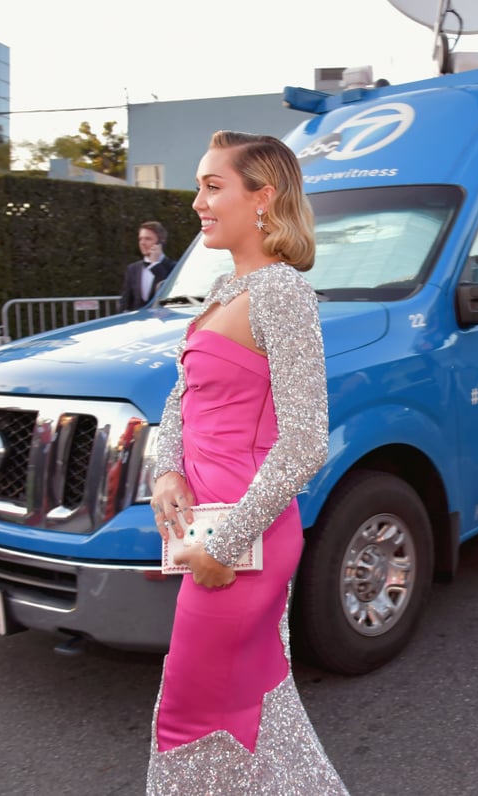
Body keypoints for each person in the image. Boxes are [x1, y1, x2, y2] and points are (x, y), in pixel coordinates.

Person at [146, 131, 349, 794]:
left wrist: (225, 545)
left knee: (191, 719)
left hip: (242, 549)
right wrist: (166, 470)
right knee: (242, 717)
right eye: (200, 186)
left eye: (213, 186)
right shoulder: (228, 287)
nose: (198, 201)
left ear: (262, 197)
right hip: (212, 536)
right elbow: (183, 396)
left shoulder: (282, 294)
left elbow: (306, 440)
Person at [117, 220, 177, 312]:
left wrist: (156, 265)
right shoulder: (133, 269)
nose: (142, 243)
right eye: (140, 239)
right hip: (139, 322)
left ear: (161, 241)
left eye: (148, 239)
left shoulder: (175, 267)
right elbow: (125, 301)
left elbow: (169, 292)